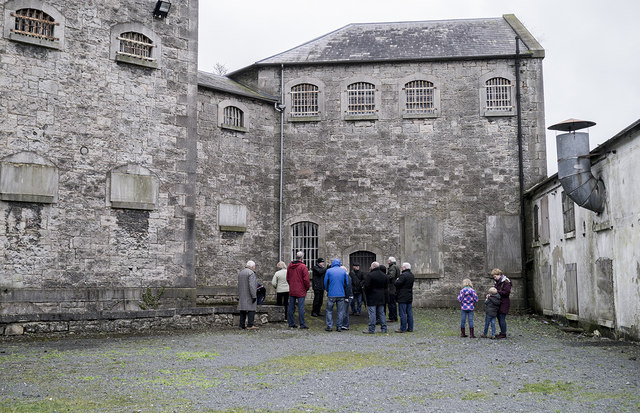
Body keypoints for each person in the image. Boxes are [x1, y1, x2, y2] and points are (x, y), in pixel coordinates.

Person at [323, 259, 349, 332]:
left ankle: (329, 326)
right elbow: (347, 283)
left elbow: (325, 282)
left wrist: (327, 290)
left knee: (329, 310)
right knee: (340, 311)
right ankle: (339, 327)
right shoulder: (343, 271)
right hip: (341, 294)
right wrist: (343, 289)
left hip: (331, 294)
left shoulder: (329, 271)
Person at [286, 251, 310, 329]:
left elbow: (288, 278)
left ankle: (291, 323)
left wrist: (291, 285)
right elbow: (306, 279)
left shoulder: (290, 265)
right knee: (301, 308)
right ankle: (302, 324)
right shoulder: (303, 266)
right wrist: (307, 288)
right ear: (302, 257)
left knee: (291, 307)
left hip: (292, 288)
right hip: (301, 289)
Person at [363, 262, 388, 334]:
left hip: (372, 296)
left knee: (372, 313)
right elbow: (386, 287)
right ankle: (384, 328)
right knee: (381, 313)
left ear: (373, 267)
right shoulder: (384, 275)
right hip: (381, 296)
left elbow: (366, 286)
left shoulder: (370, 275)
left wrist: (367, 293)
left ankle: (371, 329)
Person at [237, 260, 259, 330]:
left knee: (242, 309)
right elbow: (252, 286)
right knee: (251, 309)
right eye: (254, 267)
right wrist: (254, 296)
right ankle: (250, 325)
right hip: (249, 294)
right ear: (252, 266)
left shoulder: (241, 272)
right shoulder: (251, 273)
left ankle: (241, 325)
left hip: (242, 294)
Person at [394, 262, 414, 333]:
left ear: (405, 268)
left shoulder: (403, 276)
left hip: (402, 296)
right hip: (409, 295)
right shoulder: (411, 275)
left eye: (402, 267)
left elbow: (397, 284)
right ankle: (410, 328)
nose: (401, 268)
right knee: (409, 312)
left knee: (402, 313)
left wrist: (396, 280)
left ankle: (403, 328)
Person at [492, 268, 512, 339]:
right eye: (494, 277)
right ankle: (502, 332)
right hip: (499, 302)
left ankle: (503, 333)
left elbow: (506, 293)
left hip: (504, 302)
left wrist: (497, 291)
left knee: (502, 317)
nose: (495, 278)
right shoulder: (497, 282)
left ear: (499, 275)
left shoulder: (506, 282)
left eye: (495, 276)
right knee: (499, 317)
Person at [386, 257, 400, 322]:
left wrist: (385, 277)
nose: (387, 261)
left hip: (391, 288)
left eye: (388, 260)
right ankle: (393, 317)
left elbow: (391, 276)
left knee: (391, 303)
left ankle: (392, 317)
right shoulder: (395, 266)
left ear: (390, 261)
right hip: (393, 287)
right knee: (393, 303)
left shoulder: (392, 267)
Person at [341, 265, 353, 330]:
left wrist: (346, 297)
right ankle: (344, 324)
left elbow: (348, 287)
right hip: (347, 296)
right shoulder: (347, 276)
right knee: (345, 311)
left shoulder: (347, 277)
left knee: (344, 311)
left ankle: (345, 325)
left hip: (347, 296)